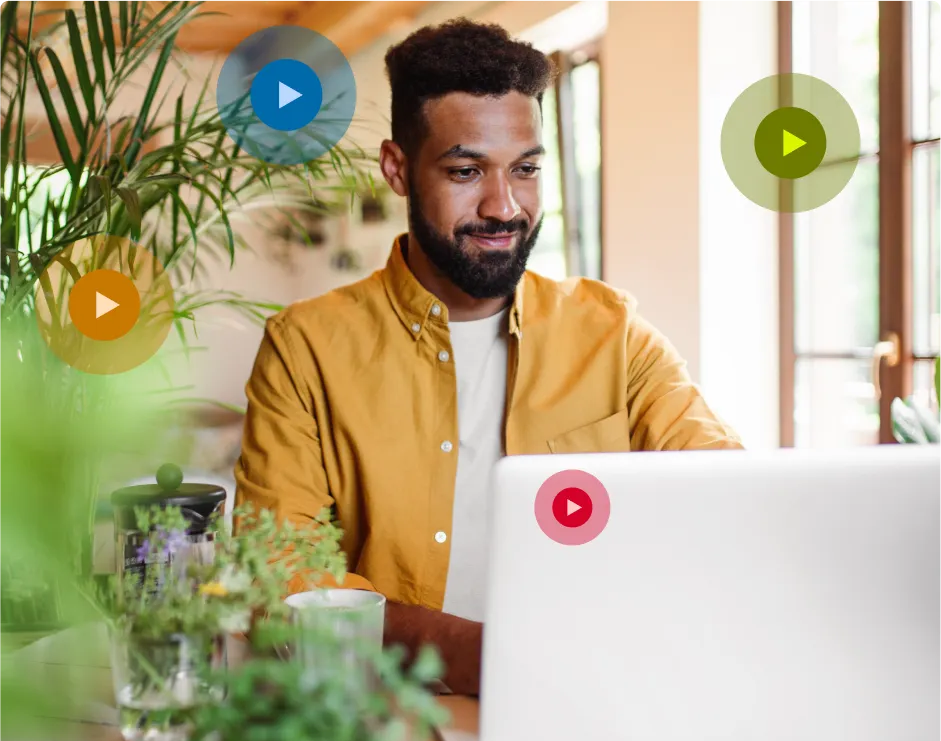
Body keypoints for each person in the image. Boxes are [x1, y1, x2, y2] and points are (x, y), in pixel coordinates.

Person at [235, 19, 742, 696]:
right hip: (391, 711)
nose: (503, 206)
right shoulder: (305, 347)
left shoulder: (613, 333)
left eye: (526, 169)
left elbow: (727, 498)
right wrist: (476, 654)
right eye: (466, 170)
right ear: (397, 169)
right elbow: (279, 575)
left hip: (591, 695)